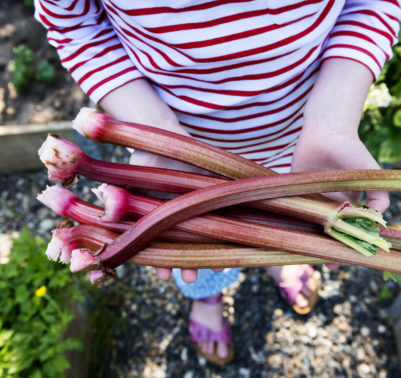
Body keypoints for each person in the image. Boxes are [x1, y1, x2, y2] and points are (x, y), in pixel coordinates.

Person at [34, 0, 401, 365]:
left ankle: (282, 256)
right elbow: (75, 24)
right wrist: (157, 135)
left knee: (292, 224)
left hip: (302, 140)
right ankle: (208, 294)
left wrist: (333, 118)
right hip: (180, 158)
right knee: (198, 246)